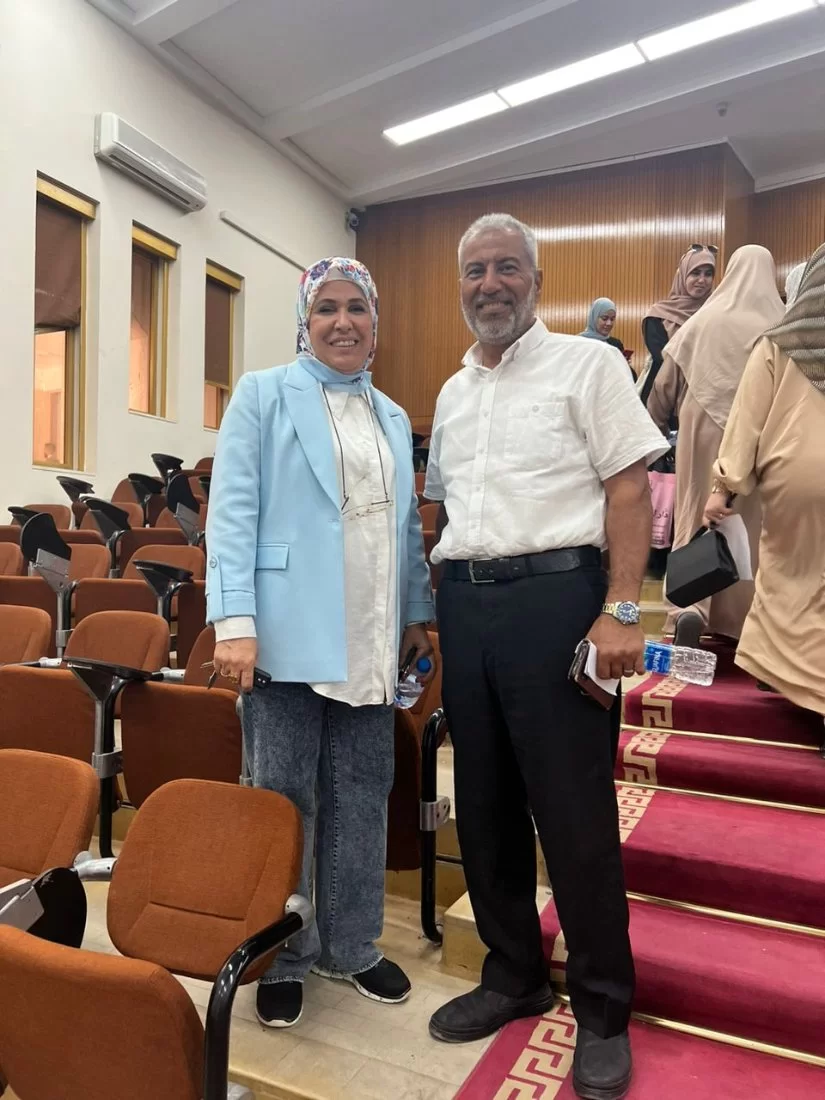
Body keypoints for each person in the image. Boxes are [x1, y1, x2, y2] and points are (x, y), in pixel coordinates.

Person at [425, 213, 668, 1100]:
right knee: (483, 803)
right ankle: (513, 974)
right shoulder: (452, 392)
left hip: (558, 603)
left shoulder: (587, 365)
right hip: (467, 604)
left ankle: (602, 1008)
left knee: (571, 813)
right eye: (475, 270)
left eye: (506, 268)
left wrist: (620, 610)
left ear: (535, 279)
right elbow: (445, 508)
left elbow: (628, 487)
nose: (489, 284)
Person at [205, 256, 434, 1029]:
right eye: (326, 308)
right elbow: (232, 514)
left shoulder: (392, 416)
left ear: (375, 323)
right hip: (284, 633)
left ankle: (351, 945)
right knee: (284, 799)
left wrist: (415, 614)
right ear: (305, 322)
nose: (343, 322)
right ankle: (285, 953)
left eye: (356, 308)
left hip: (370, 637)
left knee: (363, 794)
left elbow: (404, 530)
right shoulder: (263, 394)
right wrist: (235, 623)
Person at [703, 243, 825, 726]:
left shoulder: (780, 341)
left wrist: (724, 486)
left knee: (793, 582)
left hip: (798, 479)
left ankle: (803, 682)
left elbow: (747, 419)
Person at [647, 244, 784, 646]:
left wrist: (657, 429)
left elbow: (665, 383)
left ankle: (688, 609)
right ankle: (739, 618)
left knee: (694, 511)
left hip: (700, 427)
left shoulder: (704, 318)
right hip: (759, 433)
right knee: (749, 524)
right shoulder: (781, 324)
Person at [639, 245, 717, 407]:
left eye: (708, 274)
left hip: (704, 402)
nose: (702, 280)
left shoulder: (715, 314)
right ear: (683, 275)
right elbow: (663, 360)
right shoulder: (658, 316)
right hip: (661, 403)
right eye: (695, 273)